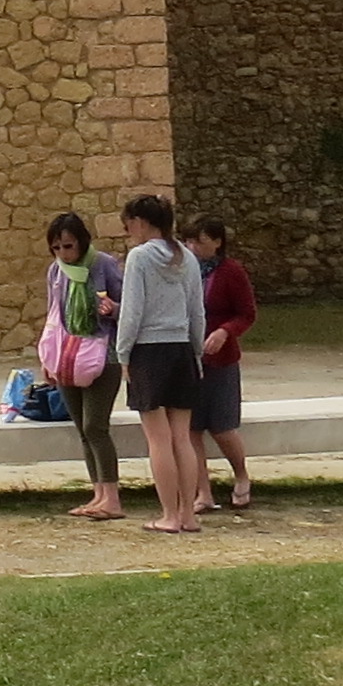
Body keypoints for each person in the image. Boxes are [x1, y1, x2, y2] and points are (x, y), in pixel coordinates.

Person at [110, 192, 208, 533]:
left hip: (149, 352)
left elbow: (132, 311)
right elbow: (197, 311)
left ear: (139, 222)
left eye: (128, 225)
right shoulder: (187, 257)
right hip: (181, 348)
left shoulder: (140, 257)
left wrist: (123, 354)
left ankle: (169, 514)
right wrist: (196, 351)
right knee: (182, 437)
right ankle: (188, 515)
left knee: (158, 439)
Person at [39, 211, 126, 519]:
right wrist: (48, 358)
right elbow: (54, 314)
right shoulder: (56, 271)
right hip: (67, 356)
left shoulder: (103, 264)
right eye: (57, 248)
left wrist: (112, 309)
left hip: (104, 354)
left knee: (95, 426)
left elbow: (130, 306)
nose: (63, 253)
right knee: (83, 429)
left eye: (68, 246)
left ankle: (112, 498)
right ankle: (98, 494)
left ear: (81, 242)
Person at [189, 216, 257, 510]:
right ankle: (202, 492)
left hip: (221, 360)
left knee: (221, 426)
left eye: (200, 242)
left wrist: (224, 331)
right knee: (191, 428)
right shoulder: (184, 270)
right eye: (189, 241)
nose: (193, 247)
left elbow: (247, 313)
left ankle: (241, 476)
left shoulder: (231, 271)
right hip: (189, 358)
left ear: (217, 242)